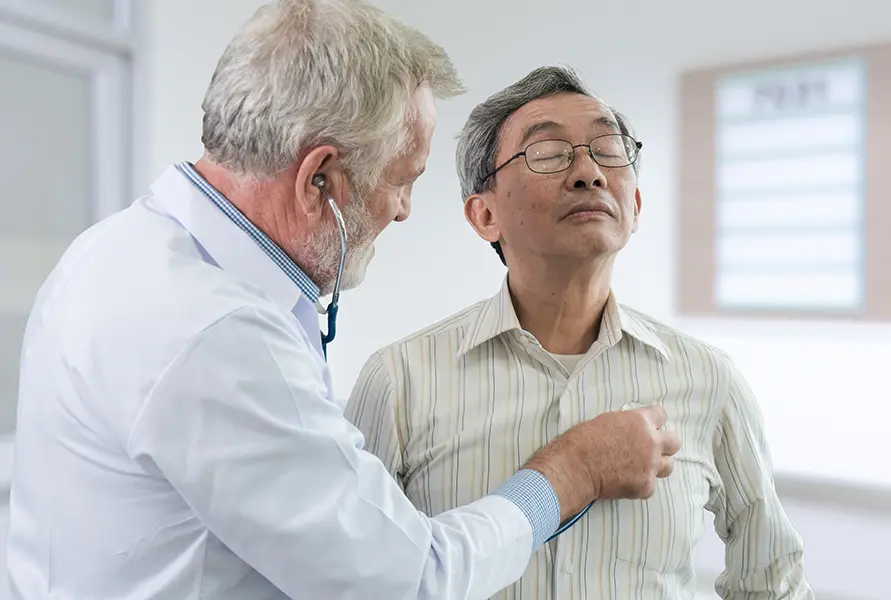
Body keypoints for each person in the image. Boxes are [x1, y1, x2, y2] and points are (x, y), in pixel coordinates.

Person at [5, 4, 683, 600]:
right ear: (319, 179)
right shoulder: (218, 334)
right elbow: (409, 580)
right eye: (403, 180)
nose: (405, 211)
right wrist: (573, 472)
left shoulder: (113, 248)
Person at [345, 65, 815, 599]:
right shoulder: (400, 380)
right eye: (548, 153)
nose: (588, 172)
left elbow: (773, 581)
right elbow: (350, 578)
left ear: (634, 206)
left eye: (609, 149)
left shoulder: (710, 380)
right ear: (484, 215)